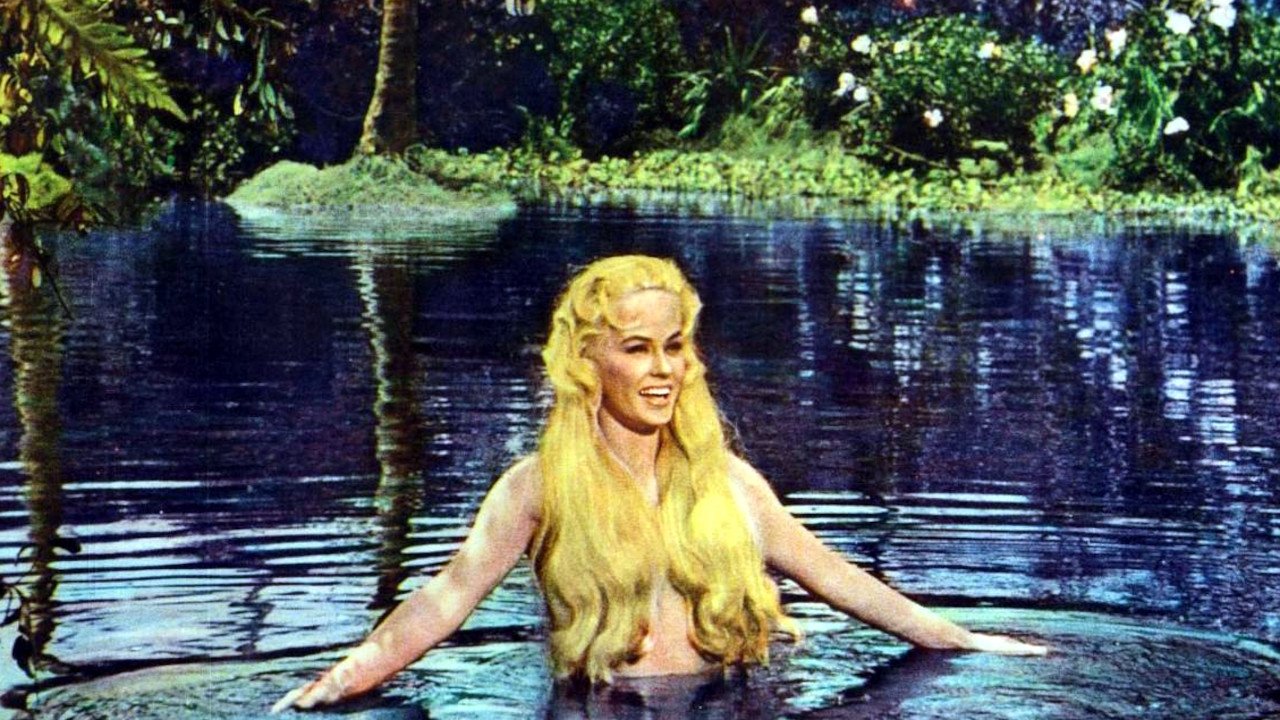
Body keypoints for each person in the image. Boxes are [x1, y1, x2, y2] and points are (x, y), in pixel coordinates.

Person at [272, 255, 1046, 713]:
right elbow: (443, 601)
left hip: (734, 706)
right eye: (637, 349)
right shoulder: (537, 489)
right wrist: (345, 678)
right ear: (588, 362)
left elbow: (843, 581)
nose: (664, 369)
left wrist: (964, 640)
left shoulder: (730, 484)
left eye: (674, 347)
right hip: (598, 710)